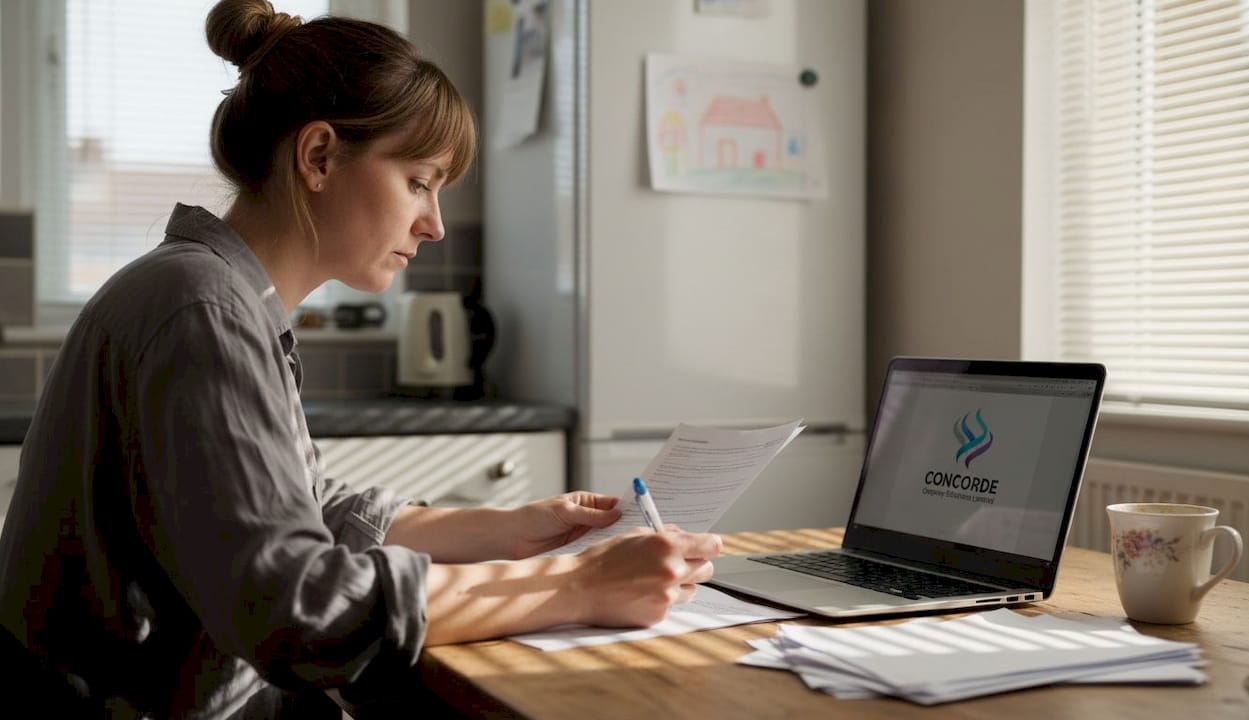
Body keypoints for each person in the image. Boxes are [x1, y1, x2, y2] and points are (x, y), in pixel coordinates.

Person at [0, 1, 722, 717]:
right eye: (418, 181)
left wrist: (512, 530)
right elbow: (299, 607)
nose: (435, 224)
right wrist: (577, 584)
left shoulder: (219, 297)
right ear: (318, 157)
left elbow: (302, 509)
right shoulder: (202, 310)